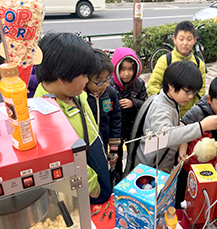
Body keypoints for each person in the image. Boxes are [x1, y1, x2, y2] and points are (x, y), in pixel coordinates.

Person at [34, 32, 112, 204]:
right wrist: (92, 186)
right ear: (63, 78)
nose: (87, 81)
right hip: (85, 186)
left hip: (96, 157)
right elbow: (64, 160)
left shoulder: (75, 94)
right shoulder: (45, 116)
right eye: (84, 76)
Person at [135, 61, 217, 173]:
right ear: (171, 85)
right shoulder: (161, 108)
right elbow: (166, 136)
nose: (191, 96)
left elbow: (174, 127)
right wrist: (201, 127)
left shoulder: (171, 101)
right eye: (187, 91)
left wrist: (181, 150)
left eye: (194, 92)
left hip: (161, 163)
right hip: (149, 167)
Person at [175, 75, 217, 208]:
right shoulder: (197, 112)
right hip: (190, 168)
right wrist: (182, 152)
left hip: (213, 171)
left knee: (203, 200)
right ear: (209, 100)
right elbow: (184, 129)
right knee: (182, 196)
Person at [147, 21, 206, 117]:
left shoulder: (199, 63)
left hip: (188, 116)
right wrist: (164, 104)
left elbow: (200, 91)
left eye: (189, 39)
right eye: (181, 39)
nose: (185, 43)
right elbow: (152, 86)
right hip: (167, 114)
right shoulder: (165, 60)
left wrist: (195, 114)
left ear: (195, 40)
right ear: (174, 39)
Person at [85, 48, 122, 187]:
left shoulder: (110, 93)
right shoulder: (81, 96)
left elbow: (116, 119)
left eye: (108, 78)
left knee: (107, 172)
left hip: (105, 141)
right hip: (89, 146)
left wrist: (113, 150)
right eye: (99, 81)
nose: (106, 84)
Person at [110, 47, 147, 174]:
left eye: (130, 69)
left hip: (133, 129)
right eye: (122, 69)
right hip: (116, 131)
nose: (126, 73)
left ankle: (130, 175)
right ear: (116, 68)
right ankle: (117, 178)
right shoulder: (110, 86)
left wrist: (133, 103)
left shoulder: (139, 84)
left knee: (133, 154)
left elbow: (145, 104)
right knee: (116, 158)